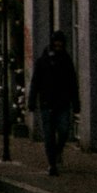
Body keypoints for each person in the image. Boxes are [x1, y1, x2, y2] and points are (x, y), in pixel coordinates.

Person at [28, 29, 80, 176]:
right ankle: (52, 164)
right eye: (56, 45)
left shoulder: (66, 61)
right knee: (49, 135)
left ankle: (58, 150)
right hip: (47, 103)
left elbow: (72, 83)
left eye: (60, 45)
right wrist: (32, 101)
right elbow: (35, 82)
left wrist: (76, 104)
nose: (58, 48)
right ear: (52, 44)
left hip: (63, 103)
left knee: (64, 131)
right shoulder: (43, 61)